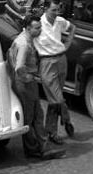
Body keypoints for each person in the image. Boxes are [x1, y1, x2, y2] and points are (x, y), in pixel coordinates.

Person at [7, 13, 65, 161]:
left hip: (23, 83)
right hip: (25, 84)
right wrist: (28, 77)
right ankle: (35, 149)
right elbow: (19, 67)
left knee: (36, 115)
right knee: (31, 117)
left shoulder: (23, 39)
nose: (40, 30)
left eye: (40, 27)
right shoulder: (25, 45)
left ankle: (41, 147)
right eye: (36, 28)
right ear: (27, 28)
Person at [36, 0, 75, 144]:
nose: (56, 13)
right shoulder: (38, 24)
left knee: (54, 101)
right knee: (57, 98)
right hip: (47, 63)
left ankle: (52, 132)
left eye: (58, 10)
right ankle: (67, 119)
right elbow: (27, 37)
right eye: (53, 10)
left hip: (61, 60)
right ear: (45, 8)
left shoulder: (60, 21)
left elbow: (72, 28)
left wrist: (67, 44)